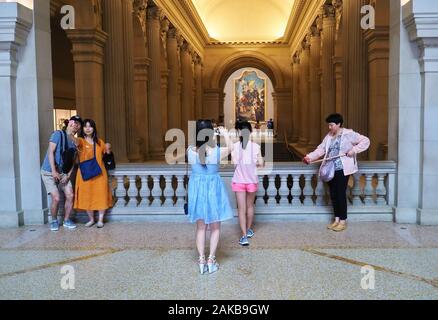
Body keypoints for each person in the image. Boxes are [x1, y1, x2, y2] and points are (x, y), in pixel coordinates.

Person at [303, 113, 370, 232]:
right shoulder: (329, 136)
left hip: (342, 169)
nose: (329, 128)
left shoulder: (349, 134)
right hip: (330, 169)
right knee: (333, 194)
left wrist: (353, 150)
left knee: (340, 194)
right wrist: (309, 157)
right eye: (329, 125)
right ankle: (337, 219)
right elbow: (321, 149)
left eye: (331, 125)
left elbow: (366, 141)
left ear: (339, 124)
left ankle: (343, 221)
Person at [187, 120, 234, 274]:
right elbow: (232, 147)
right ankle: (211, 259)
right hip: (214, 191)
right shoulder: (216, 151)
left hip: (198, 191)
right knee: (215, 227)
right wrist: (225, 133)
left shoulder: (189, 151)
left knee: (201, 228)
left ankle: (201, 260)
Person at [41, 115, 83, 231]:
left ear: (79, 127)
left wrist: (68, 176)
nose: (75, 124)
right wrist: (54, 171)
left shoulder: (76, 141)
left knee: (70, 195)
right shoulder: (57, 134)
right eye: (73, 121)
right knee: (56, 198)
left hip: (63, 172)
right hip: (49, 171)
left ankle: (66, 220)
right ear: (69, 122)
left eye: (78, 123)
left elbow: (74, 161)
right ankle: (54, 221)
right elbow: (51, 152)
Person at [72, 119, 113, 228]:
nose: (88, 128)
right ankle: (91, 219)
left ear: (94, 128)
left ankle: (100, 219)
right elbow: (75, 141)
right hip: (85, 174)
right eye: (86, 126)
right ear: (83, 129)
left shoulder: (99, 142)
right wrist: (70, 132)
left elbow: (107, 152)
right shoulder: (81, 141)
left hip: (100, 174)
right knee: (87, 196)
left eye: (90, 126)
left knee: (101, 195)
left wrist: (108, 147)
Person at [231, 121, 264, 246]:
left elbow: (234, 164)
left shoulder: (234, 146)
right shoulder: (256, 147)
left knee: (241, 209)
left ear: (238, 132)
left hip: (239, 180)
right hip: (252, 181)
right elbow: (261, 163)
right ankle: (249, 229)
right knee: (250, 206)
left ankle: (244, 236)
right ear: (250, 132)